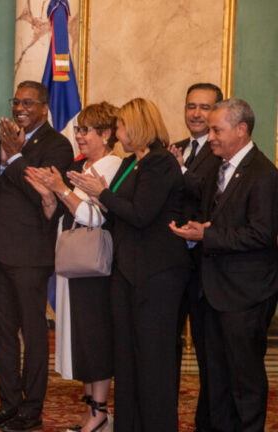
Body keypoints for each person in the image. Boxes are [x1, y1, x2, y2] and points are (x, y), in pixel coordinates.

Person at [69, 98, 191, 431]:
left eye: (120, 126)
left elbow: (140, 214)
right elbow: (116, 211)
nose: (117, 132)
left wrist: (101, 193)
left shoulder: (161, 163)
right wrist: (94, 195)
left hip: (158, 273)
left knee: (153, 359)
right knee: (126, 356)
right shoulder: (128, 163)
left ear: (136, 126)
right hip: (127, 271)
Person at [170, 98, 278, 432]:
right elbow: (210, 218)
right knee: (215, 379)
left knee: (243, 380)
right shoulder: (219, 166)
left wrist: (208, 235)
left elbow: (261, 234)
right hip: (212, 291)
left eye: (217, 129)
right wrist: (195, 230)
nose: (210, 135)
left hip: (246, 294)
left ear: (242, 130)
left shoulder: (264, 174)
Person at [0, 81, 72, 432]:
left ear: (45, 107)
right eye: (16, 101)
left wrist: (15, 157)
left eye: (29, 102)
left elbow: (43, 195)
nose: (21, 108)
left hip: (31, 254)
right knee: (1, 335)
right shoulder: (1, 140)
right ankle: (9, 405)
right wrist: (6, 158)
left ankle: (31, 411)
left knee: (33, 334)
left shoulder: (58, 146)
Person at [24, 102, 122, 432]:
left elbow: (96, 216)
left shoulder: (112, 166)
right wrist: (49, 196)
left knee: (94, 339)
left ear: (107, 134)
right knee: (80, 338)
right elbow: (64, 215)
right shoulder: (80, 165)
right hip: (71, 261)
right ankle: (92, 410)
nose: (78, 136)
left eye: (85, 130)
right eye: (78, 129)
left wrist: (62, 190)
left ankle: (99, 412)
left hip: (94, 267)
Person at [168, 83, 223, 432]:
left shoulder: (222, 150)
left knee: (208, 352)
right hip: (174, 264)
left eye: (205, 107)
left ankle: (207, 423)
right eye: (191, 106)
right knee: (167, 345)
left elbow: (207, 193)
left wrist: (180, 172)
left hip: (209, 267)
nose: (196, 114)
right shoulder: (178, 147)